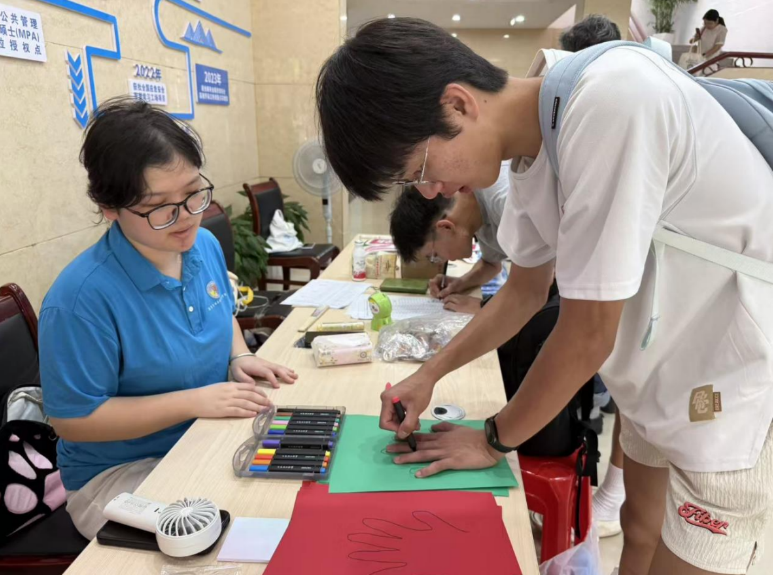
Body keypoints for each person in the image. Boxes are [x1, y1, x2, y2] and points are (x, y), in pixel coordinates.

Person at [317, 17, 773, 575]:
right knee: (639, 529)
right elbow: (523, 292)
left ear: (458, 105)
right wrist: (427, 375)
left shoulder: (612, 100)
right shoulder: (536, 143)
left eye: (421, 171)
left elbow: (587, 335)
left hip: (731, 376)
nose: (432, 192)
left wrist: (492, 440)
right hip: (659, 368)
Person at [39, 97, 297, 539]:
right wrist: (194, 402)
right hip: (119, 474)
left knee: (292, 492)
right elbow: (74, 419)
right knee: (232, 534)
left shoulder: (202, 246)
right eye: (159, 206)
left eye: (193, 193)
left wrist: (238, 356)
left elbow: (221, 313)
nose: (186, 217)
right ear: (109, 206)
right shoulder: (81, 299)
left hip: (203, 434)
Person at [390, 161, 511, 315]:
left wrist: (483, 307)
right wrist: (460, 283)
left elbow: (533, 289)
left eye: (434, 255)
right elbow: (491, 264)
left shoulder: (503, 202)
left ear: (446, 227)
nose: (440, 262)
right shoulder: (473, 217)